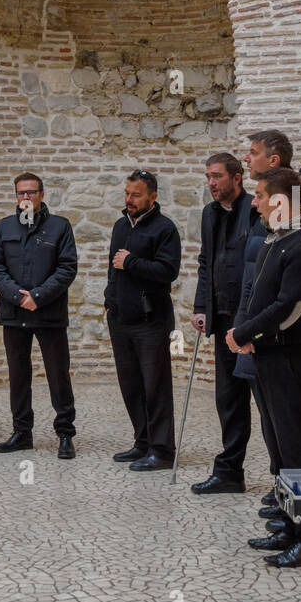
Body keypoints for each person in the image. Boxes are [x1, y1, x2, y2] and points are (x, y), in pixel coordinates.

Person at [227, 166, 301, 569]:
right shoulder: (280, 236)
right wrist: (251, 333)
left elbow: (289, 308)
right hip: (270, 354)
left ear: (279, 200)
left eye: (258, 195)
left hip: (290, 356)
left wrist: (246, 332)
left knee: (298, 449)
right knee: (282, 448)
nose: (252, 202)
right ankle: (290, 526)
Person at [0, 172, 78, 459]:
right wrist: (18, 296)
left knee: (57, 374)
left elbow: (67, 268)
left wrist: (37, 297)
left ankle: (65, 434)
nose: (25, 198)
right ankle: (21, 432)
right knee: (18, 375)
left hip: (49, 314)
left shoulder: (59, 227)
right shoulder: (4, 227)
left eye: (31, 192)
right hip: (14, 314)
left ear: (41, 194)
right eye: (20, 193)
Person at [104, 170, 181, 471]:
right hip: (121, 319)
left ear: (152, 196)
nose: (129, 200)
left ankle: (162, 451)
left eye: (136, 195)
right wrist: (110, 301)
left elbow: (168, 271)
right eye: (127, 193)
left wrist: (131, 262)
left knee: (155, 387)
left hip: (152, 321)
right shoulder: (121, 226)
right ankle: (142, 442)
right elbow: (113, 268)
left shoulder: (165, 229)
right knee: (131, 385)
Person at [190, 153, 253, 495]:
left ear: (237, 177)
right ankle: (230, 471)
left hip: (253, 325)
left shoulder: (255, 209)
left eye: (216, 176)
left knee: (267, 404)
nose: (211, 183)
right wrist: (202, 305)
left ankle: (283, 480)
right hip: (223, 322)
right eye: (208, 176)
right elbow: (206, 262)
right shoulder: (209, 213)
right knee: (228, 400)